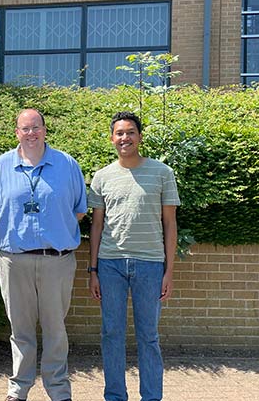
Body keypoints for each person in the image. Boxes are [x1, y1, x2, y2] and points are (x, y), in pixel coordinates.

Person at [0, 108, 87, 401]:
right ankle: (18, 390)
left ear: (44, 129)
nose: (31, 133)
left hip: (57, 260)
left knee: (56, 329)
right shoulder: (1, 167)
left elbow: (79, 210)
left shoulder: (67, 165)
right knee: (21, 330)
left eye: (36, 127)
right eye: (25, 129)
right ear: (16, 132)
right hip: (14, 261)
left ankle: (58, 390)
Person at [88, 111, 181, 401]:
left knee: (149, 337)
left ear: (139, 137)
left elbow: (170, 224)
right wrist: (93, 270)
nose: (124, 138)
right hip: (110, 264)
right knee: (111, 335)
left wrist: (169, 271)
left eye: (130, 132)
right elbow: (97, 225)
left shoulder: (162, 173)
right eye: (119, 133)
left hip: (151, 265)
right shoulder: (102, 177)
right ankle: (115, 396)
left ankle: (151, 396)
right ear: (112, 138)